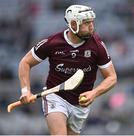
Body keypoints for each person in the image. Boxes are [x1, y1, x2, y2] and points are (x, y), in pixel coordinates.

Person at [19, 4, 117, 135]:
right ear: (73, 24)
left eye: (92, 22)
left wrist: (94, 93)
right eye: (86, 23)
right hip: (55, 97)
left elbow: (112, 77)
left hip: (80, 105)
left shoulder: (97, 46)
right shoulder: (52, 42)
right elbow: (25, 62)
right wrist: (25, 90)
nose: (91, 26)